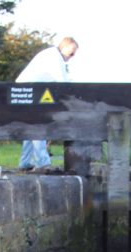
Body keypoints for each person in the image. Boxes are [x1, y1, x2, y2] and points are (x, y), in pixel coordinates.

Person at [16, 36, 79, 172]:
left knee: (31, 127)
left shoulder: (53, 56)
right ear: (65, 47)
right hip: (28, 91)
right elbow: (63, 83)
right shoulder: (54, 58)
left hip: (25, 91)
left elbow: (63, 80)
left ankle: (25, 162)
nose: (72, 56)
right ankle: (42, 163)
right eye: (72, 52)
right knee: (38, 126)